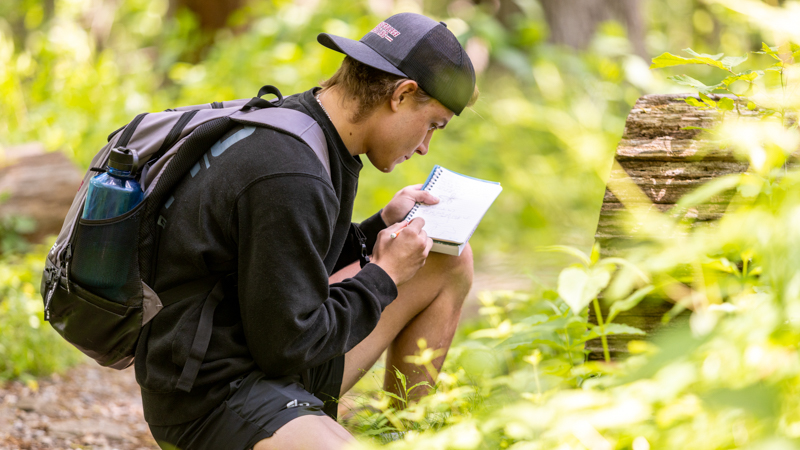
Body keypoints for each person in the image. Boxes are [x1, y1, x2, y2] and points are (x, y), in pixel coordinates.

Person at [137, 12, 478, 450]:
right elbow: (289, 346)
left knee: (447, 256)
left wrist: (378, 228)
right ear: (402, 94)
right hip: (212, 397)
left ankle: (401, 431)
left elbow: (285, 264)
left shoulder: (308, 127)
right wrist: (385, 275)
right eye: (432, 124)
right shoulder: (289, 173)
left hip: (261, 350)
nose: (426, 145)